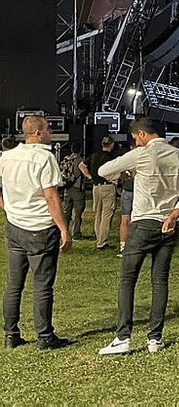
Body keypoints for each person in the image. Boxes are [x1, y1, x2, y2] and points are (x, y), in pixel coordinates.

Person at [96, 117, 179, 355]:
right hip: (168, 224)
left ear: (140, 135)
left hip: (142, 223)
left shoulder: (141, 154)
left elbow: (104, 170)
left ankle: (123, 336)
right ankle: (155, 338)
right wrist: (176, 212)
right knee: (159, 281)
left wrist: (128, 172)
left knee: (128, 280)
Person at [0, 115, 72, 349]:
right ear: (39, 133)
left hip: (15, 225)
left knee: (14, 284)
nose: (51, 132)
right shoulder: (45, 157)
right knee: (42, 285)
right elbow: (51, 196)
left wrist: (7, 206)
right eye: (49, 128)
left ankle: (11, 334)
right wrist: (64, 229)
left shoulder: (7, 156)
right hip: (41, 227)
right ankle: (45, 336)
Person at [79, 136, 117, 249]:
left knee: (98, 215)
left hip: (96, 187)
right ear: (112, 144)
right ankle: (102, 241)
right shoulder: (110, 158)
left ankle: (98, 238)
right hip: (107, 186)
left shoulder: (94, 156)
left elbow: (81, 165)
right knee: (107, 215)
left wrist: (90, 176)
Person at [60, 141, 86, 239]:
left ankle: (64, 232)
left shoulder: (67, 159)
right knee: (77, 213)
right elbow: (79, 174)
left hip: (67, 188)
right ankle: (76, 233)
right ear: (80, 150)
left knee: (66, 212)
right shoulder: (80, 160)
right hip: (76, 188)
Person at [117, 139, 135, 257]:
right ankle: (129, 245)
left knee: (125, 219)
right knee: (131, 219)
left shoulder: (126, 159)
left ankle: (123, 245)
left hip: (127, 191)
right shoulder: (142, 158)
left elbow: (120, 174)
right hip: (135, 191)